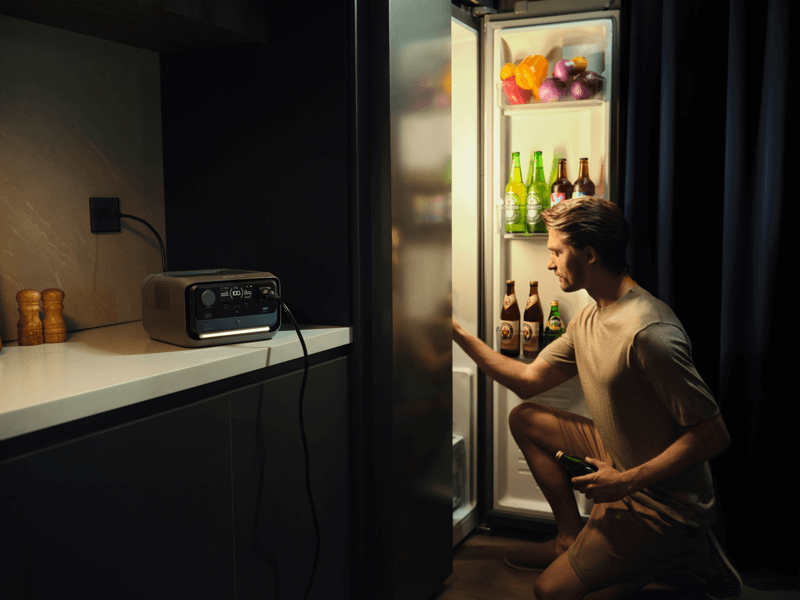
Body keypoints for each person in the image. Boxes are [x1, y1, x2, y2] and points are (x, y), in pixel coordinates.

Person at [452, 196, 741, 600]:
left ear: (588, 254)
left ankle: (684, 552)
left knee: (551, 593)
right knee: (525, 418)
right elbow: (528, 380)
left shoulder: (649, 332)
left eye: (556, 251)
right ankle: (568, 538)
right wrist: (458, 332)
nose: (550, 263)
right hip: (620, 459)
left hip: (665, 503)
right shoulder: (591, 315)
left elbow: (713, 435)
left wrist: (624, 482)